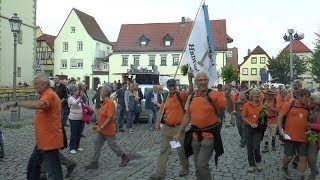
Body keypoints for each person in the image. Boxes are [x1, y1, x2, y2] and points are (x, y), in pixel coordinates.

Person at [1, 74, 64, 180]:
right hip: (43, 141)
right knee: (34, 167)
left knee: (53, 171)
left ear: (45, 84)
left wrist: (16, 103)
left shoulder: (49, 95)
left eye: (36, 84)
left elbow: (40, 105)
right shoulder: (45, 94)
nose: (34, 86)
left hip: (49, 141)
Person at [174, 71, 229, 180]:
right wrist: (179, 132)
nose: (203, 82)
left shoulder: (215, 94)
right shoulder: (192, 96)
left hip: (209, 136)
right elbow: (187, 116)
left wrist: (228, 96)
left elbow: (230, 108)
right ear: (196, 82)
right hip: (195, 137)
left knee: (201, 164)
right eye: (200, 80)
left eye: (205, 80)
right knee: (197, 165)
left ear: (208, 81)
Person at [150, 75, 194, 180]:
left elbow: (191, 91)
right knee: (164, 150)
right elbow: (161, 110)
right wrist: (157, 123)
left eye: (174, 86)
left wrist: (190, 80)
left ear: (176, 86)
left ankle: (185, 168)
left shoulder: (181, 95)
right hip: (167, 128)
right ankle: (160, 173)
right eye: (170, 86)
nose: (172, 88)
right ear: (168, 87)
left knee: (180, 150)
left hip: (178, 129)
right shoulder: (166, 99)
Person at [85, 85, 130, 169]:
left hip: (108, 129)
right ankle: (94, 162)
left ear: (106, 93)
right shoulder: (105, 102)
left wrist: (102, 126)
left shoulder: (110, 103)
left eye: (101, 91)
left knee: (113, 145)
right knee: (97, 143)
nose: (100, 93)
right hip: (101, 130)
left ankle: (125, 157)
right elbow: (102, 116)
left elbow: (110, 117)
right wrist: (97, 126)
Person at [278, 88, 310, 180]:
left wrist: (309, 129)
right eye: (305, 97)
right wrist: (280, 130)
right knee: (289, 156)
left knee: (303, 158)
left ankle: (301, 176)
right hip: (289, 136)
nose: (307, 99)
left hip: (303, 137)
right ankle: (284, 167)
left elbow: (308, 120)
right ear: (299, 96)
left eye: (308, 97)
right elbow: (280, 116)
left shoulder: (307, 107)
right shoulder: (290, 104)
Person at [241, 88, 264, 173]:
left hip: (257, 129)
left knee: (256, 146)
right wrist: (251, 123)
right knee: (249, 147)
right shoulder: (247, 105)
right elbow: (243, 117)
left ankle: (258, 162)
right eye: (254, 94)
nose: (256, 96)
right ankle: (251, 164)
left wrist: (263, 115)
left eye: (258, 94)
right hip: (248, 128)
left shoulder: (262, 105)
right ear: (251, 95)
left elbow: (263, 118)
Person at [306, 93, 320, 180]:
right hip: (311, 136)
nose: (310, 101)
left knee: (311, 158)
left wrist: (311, 125)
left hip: (317, 135)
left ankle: (313, 173)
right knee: (310, 158)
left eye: (312, 100)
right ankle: (313, 172)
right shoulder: (310, 108)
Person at [68, 84, 84, 154]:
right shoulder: (70, 98)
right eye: (77, 90)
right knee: (74, 133)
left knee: (78, 133)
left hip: (80, 118)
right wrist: (80, 97)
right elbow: (75, 104)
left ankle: (77, 146)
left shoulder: (78, 98)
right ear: (73, 92)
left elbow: (82, 105)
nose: (78, 91)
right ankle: (72, 147)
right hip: (73, 118)